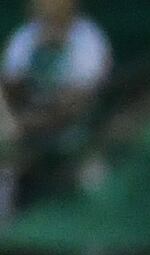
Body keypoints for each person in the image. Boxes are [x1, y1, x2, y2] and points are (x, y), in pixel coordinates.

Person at [0, 0, 108, 209]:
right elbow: (10, 83)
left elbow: (80, 97)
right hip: (25, 120)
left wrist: (33, 121)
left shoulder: (87, 38)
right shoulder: (27, 35)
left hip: (76, 126)